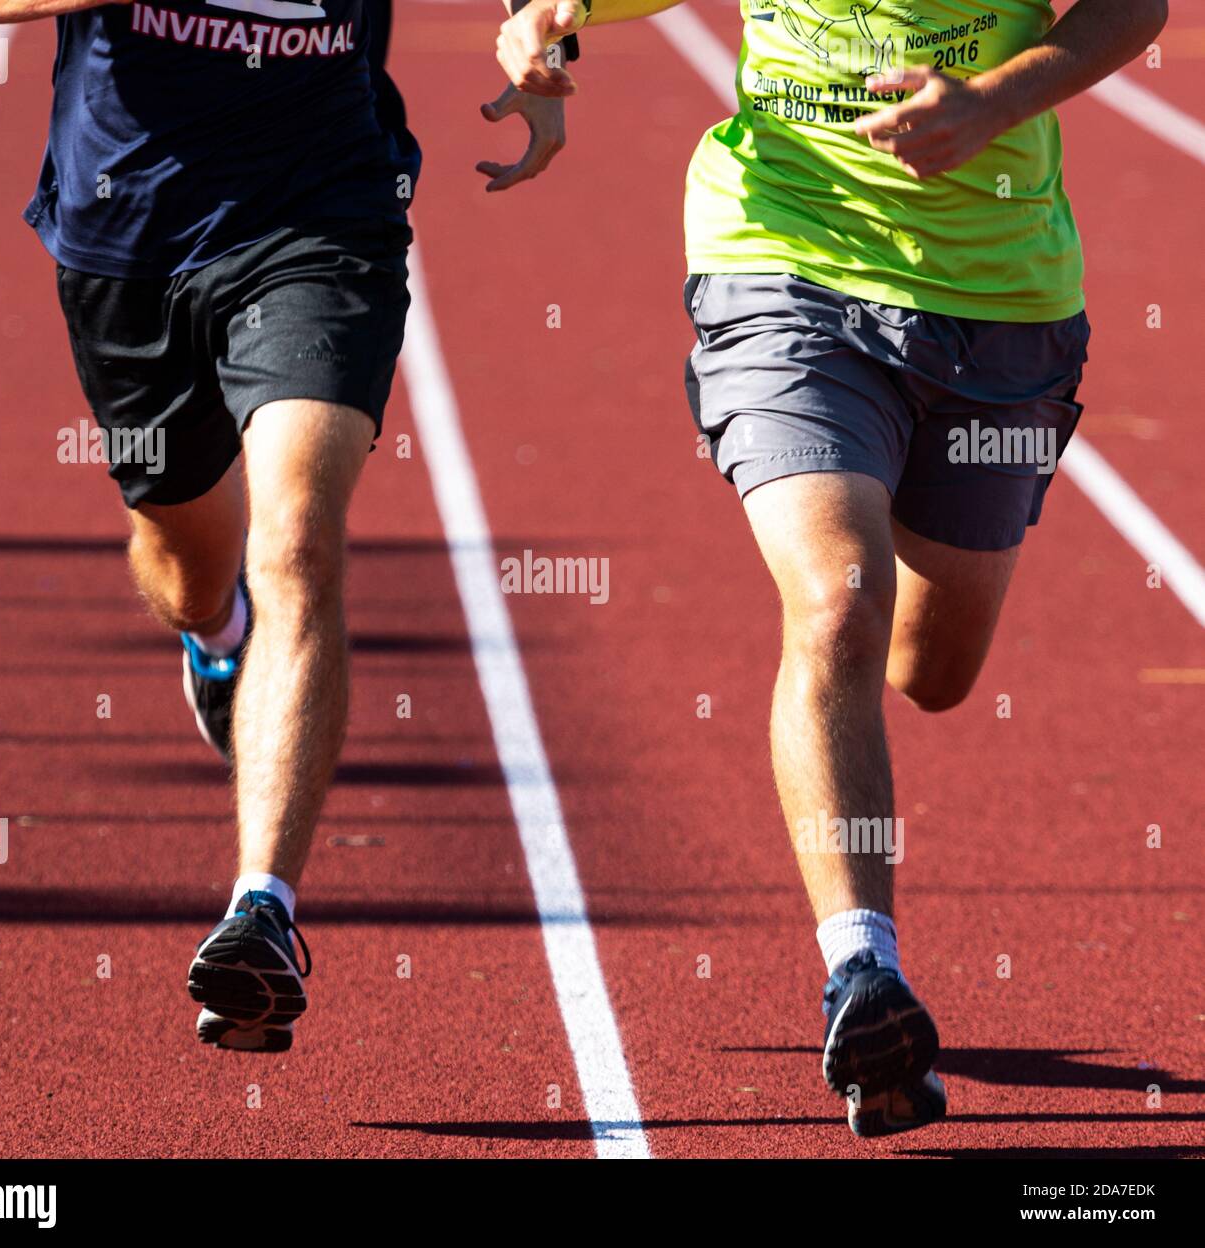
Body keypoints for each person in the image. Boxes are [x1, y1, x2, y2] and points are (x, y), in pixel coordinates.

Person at [497, 0, 1169, 1135]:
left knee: (932, 666)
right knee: (837, 602)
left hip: (999, 304)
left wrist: (997, 102)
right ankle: (863, 973)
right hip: (785, 268)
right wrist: (539, 29)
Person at [0, 0, 566, 1052]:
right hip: (124, 231)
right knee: (189, 566)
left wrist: (545, 29)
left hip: (319, 215)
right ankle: (216, 635)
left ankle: (260, 910)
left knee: (298, 542)